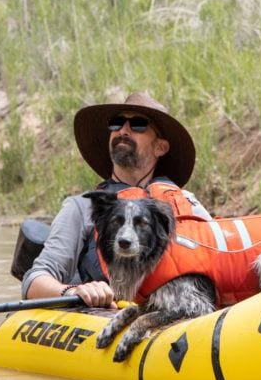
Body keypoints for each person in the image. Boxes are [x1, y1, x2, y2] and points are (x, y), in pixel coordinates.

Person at [20, 91, 210, 308]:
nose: (123, 130)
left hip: (178, 317)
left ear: (160, 147)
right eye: (117, 123)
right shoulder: (82, 207)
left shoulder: (187, 204)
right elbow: (34, 281)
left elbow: (215, 265)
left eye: (138, 124)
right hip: (105, 317)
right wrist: (72, 290)